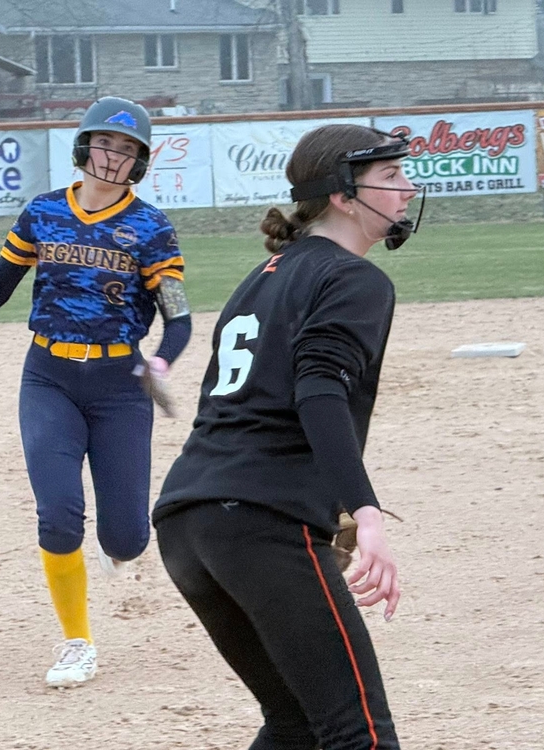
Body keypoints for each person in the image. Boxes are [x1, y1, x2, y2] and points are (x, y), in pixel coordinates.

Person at [152, 124, 424, 749]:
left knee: (296, 726)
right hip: (260, 522)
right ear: (342, 196)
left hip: (188, 521)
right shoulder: (355, 279)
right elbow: (318, 390)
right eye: (389, 177)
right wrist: (366, 512)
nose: (407, 189)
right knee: (360, 735)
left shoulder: (263, 275)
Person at [0, 96, 192, 688]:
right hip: (49, 378)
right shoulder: (43, 213)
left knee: (127, 538)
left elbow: (179, 316)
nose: (113, 156)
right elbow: (0, 287)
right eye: (105, 143)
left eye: (127, 148)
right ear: (86, 146)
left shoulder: (152, 228)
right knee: (58, 516)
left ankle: (119, 548)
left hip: (120, 385)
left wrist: (161, 360)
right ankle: (77, 642)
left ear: (139, 161)